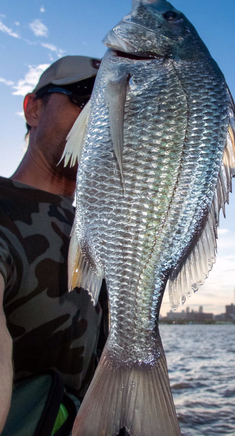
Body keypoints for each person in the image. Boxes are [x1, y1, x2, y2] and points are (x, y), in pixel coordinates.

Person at [0, 55, 108, 434]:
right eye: (84, 97)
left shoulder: (108, 235)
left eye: (112, 106)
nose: (100, 115)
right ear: (33, 108)